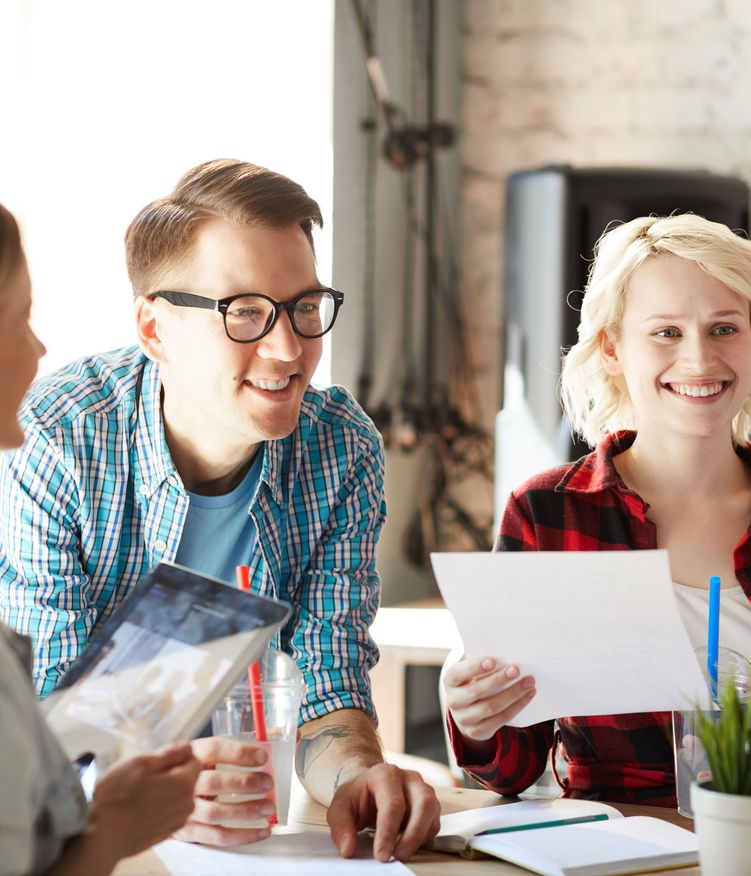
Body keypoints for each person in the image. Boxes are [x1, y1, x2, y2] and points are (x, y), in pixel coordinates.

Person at [0, 161, 440, 863]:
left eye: (303, 306)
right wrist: (157, 787)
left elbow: (331, 679)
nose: (289, 348)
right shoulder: (60, 438)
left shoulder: (340, 447)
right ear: (154, 327)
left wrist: (358, 775)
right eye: (243, 312)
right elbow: (50, 726)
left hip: (248, 838)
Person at [442, 214, 751, 805]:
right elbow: (511, 769)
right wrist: (480, 723)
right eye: (665, 332)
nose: (698, 361)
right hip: (608, 855)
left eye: (723, 329)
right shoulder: (546, 516)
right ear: (612, 349)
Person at [0, 200, 202, 876]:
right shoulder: (66, 435)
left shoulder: (338, 442)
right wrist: (112, 830)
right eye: (21, 319)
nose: (39, 348)